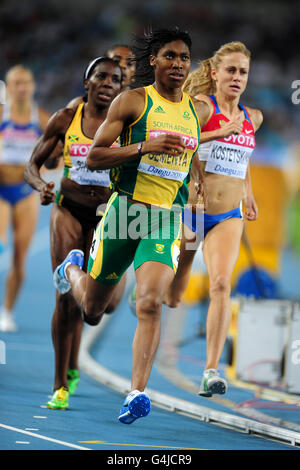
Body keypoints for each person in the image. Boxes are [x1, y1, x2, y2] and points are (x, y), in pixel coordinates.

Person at [51, 27, 210, 424]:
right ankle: (71, 269)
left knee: (150, 301)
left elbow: (189, 150)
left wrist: (196, 176)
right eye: (170, 56)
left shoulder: (198, 110)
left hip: (163, 220)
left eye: (184, 58)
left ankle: (136, 392)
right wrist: (143, 147)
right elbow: (94, 157)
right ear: (153, 61)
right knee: (91, 311)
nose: (178, 64)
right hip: (123, 214)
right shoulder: (132, 102)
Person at [24, 57, 124, 410]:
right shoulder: (66, 119)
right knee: (66, 301)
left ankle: (106, 280)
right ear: (87, 82)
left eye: (115, 78)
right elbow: (33, 164)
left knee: (101, 309)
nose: (108, 82)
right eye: (101, 76)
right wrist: (41, 186)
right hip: (69, 208)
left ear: (121, 87)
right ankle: (59, 384)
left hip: (108, 216)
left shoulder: (127, 124)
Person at [165, 41, 263, 397]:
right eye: (232, 70)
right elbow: (178, 140)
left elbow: (243, 154)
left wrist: (248, 191)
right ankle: (149, 293)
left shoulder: (254, 116)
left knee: (221, 284)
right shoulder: (202, 108)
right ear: (215, 73)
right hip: (193, 210)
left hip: (228, 214)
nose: (238, 77)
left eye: (244, 72)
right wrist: (218, 133)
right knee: (174, 294)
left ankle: (210, 370)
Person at [0, 65, 50, 332]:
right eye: (16, 83)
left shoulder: (40, 118)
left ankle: (7, 311)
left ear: (32, 86)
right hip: (0, 189)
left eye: (26, 82)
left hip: (24, 192)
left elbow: (58, 151)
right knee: (0, 243)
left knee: (20, 257)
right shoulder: (1, 114)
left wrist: (47, 169)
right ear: (8, 87)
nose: (21, 88)